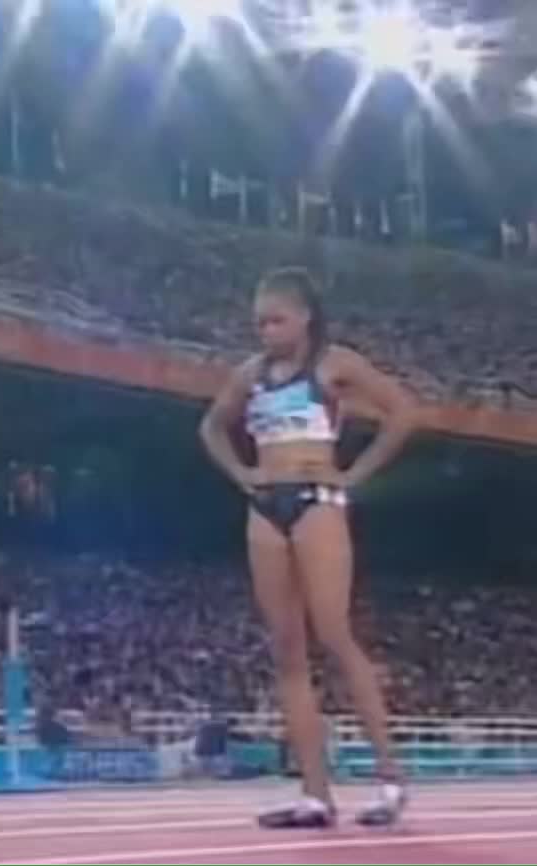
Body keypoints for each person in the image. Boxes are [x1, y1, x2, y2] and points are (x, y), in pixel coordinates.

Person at [199, 267, 417, 828]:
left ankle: (390, 779)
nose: (265, 332)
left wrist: (355, 474)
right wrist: (242, 474)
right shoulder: (250, 375)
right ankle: (315, 794)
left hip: (317, 500)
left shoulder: (334, 364)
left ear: (304, 317)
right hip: (265, 507)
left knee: (335, 635)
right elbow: (211, 428)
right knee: (287, 650)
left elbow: (403, 412)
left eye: (276, 321)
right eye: (259, 323)